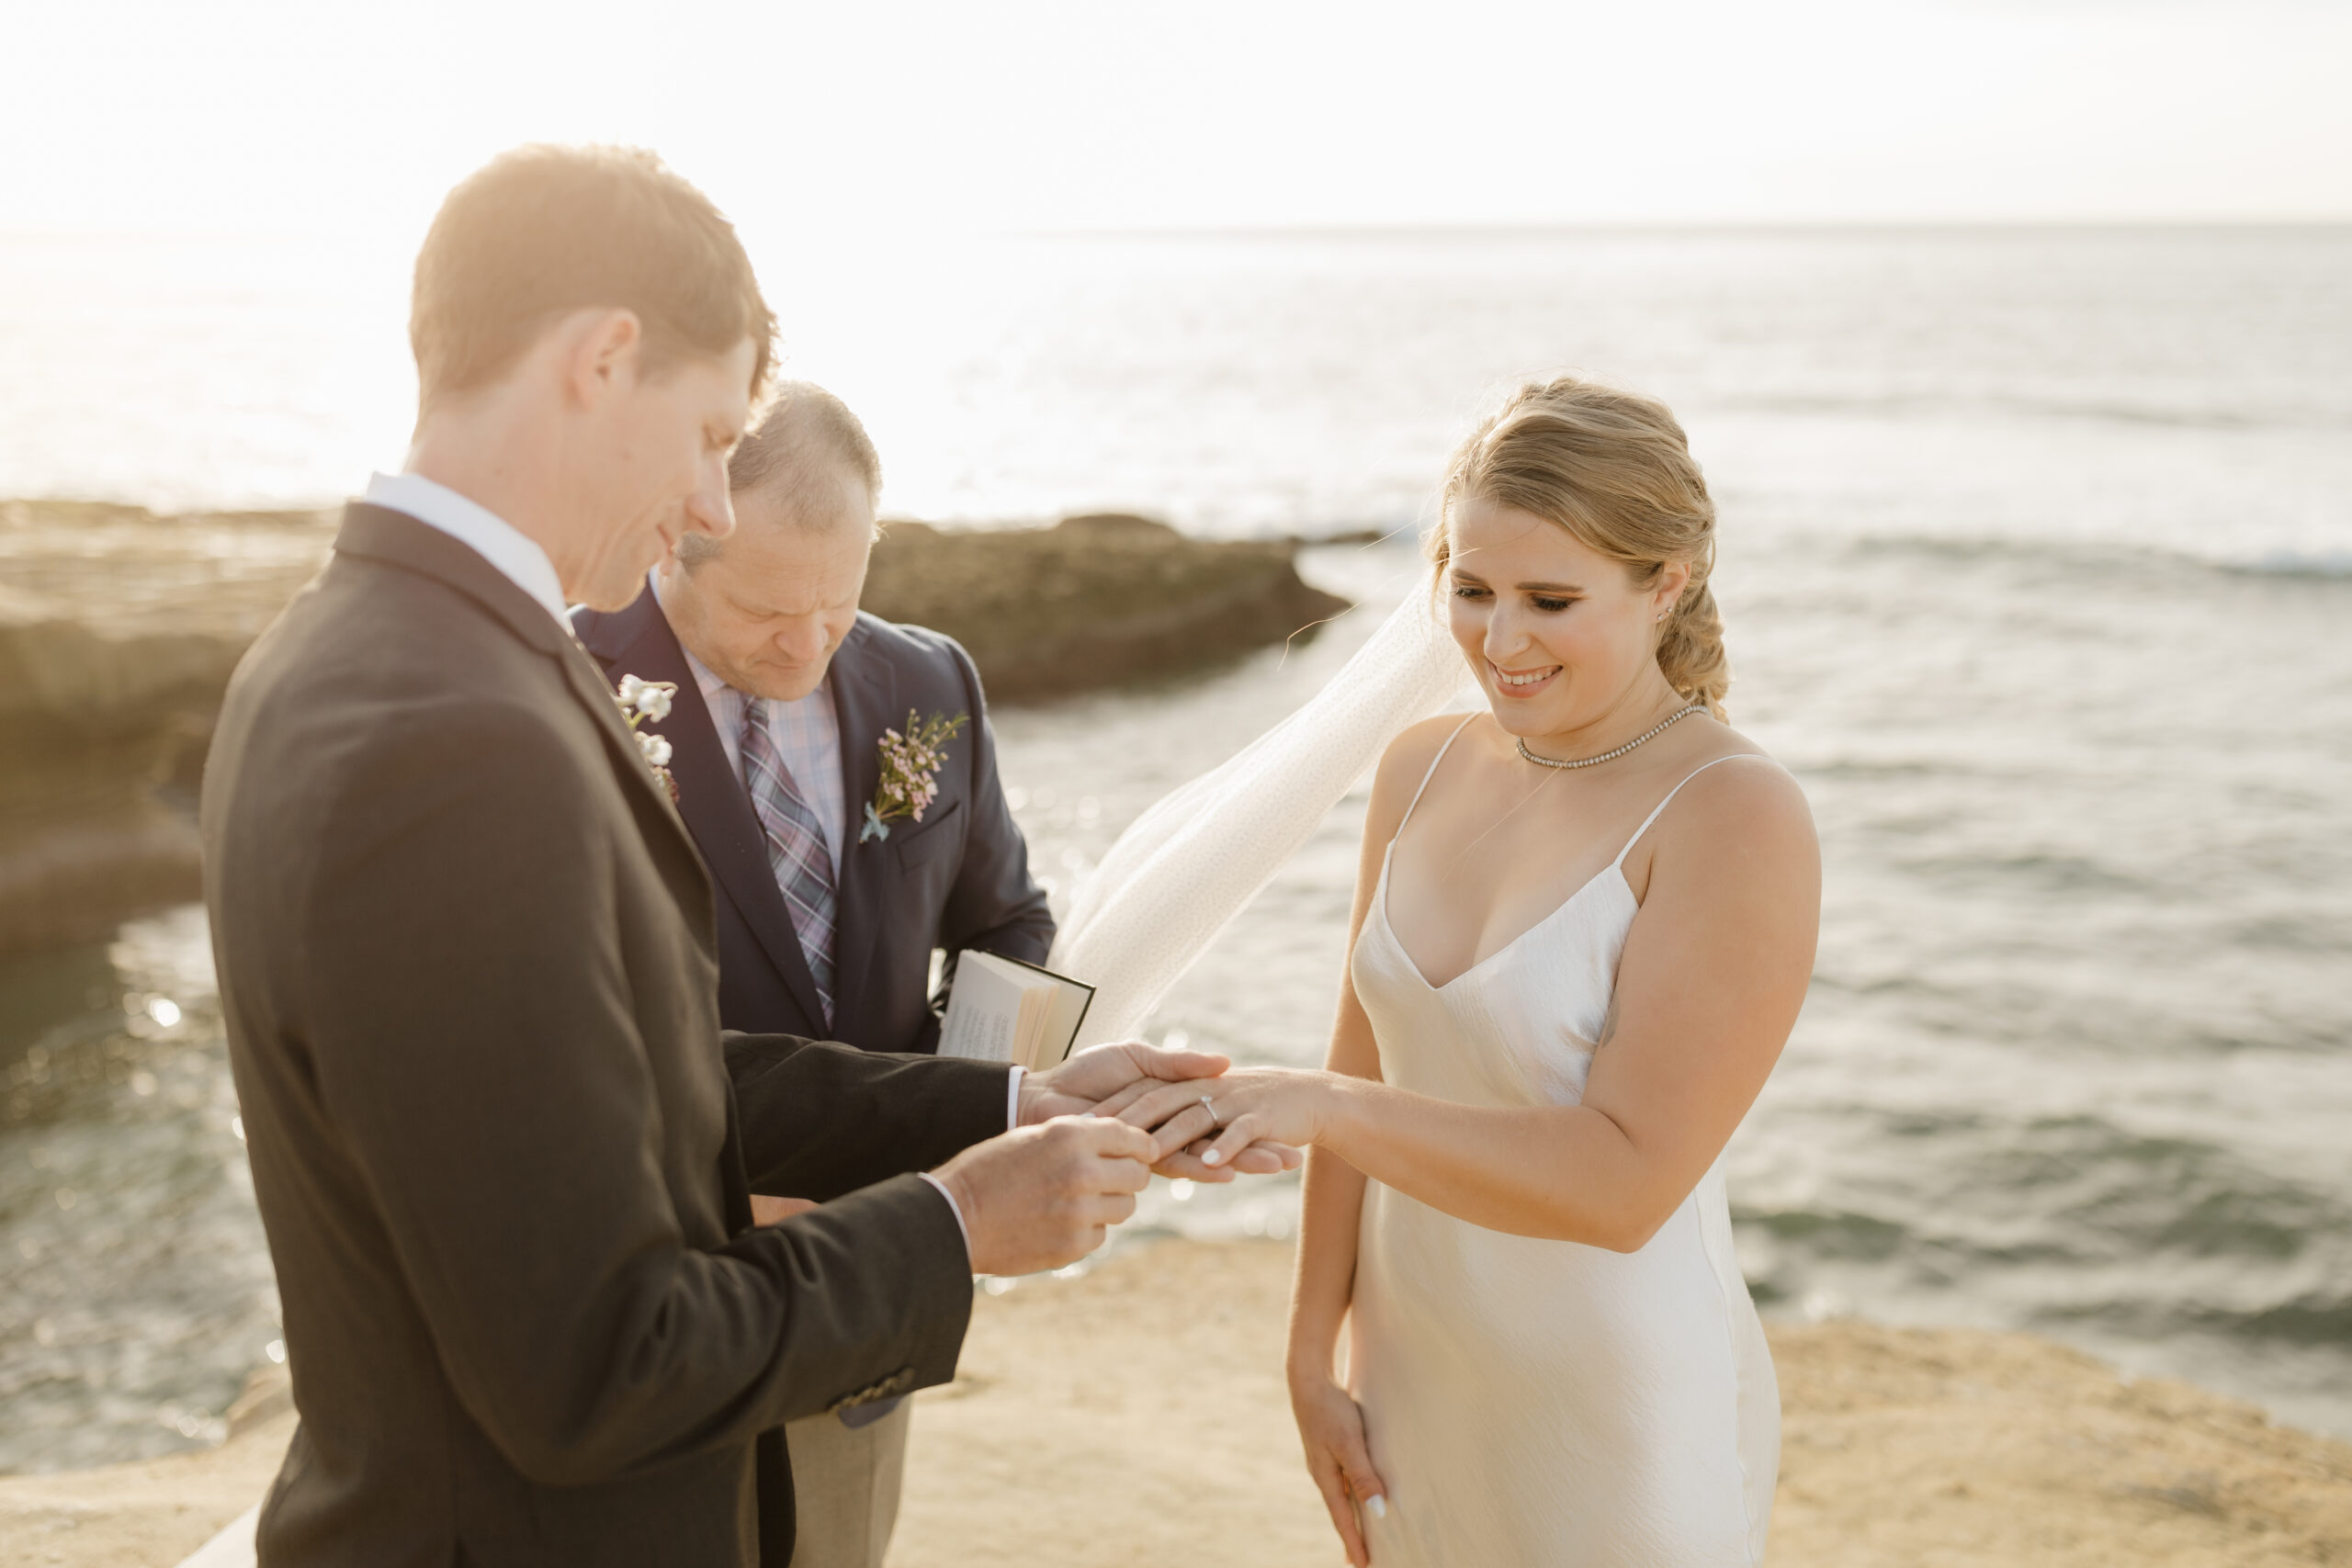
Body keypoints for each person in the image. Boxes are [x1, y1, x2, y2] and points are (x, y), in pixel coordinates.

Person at [197, 144, 1263, 1568]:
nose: (709, 504)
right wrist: (951, 1231)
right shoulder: (451, 739)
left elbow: (646, 1079)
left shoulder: (363, 653)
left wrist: (1003, 1099)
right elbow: (594, 1364)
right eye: (710, 433)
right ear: (602, 358)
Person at [1107, 378, 1820, 1566]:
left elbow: (1624, 1181)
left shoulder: (1734, 815)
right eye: (1472, 589)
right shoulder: (1420, 768)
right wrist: (1309, 1354)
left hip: (1613, 1416)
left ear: (1667, 586)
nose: (1499, 641)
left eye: (1551, 599)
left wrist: (1325, 1106)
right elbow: (1359, 1060)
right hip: (1416, 1380)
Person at [572, 382, 1052, 1567]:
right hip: (663, 1294)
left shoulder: (930, 682)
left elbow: (1008, 922)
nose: (805, 643)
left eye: (838, 604)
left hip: (864, 1287)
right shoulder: (569, 684)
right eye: (766, 608)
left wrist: (953, 1132)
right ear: (675, 546)